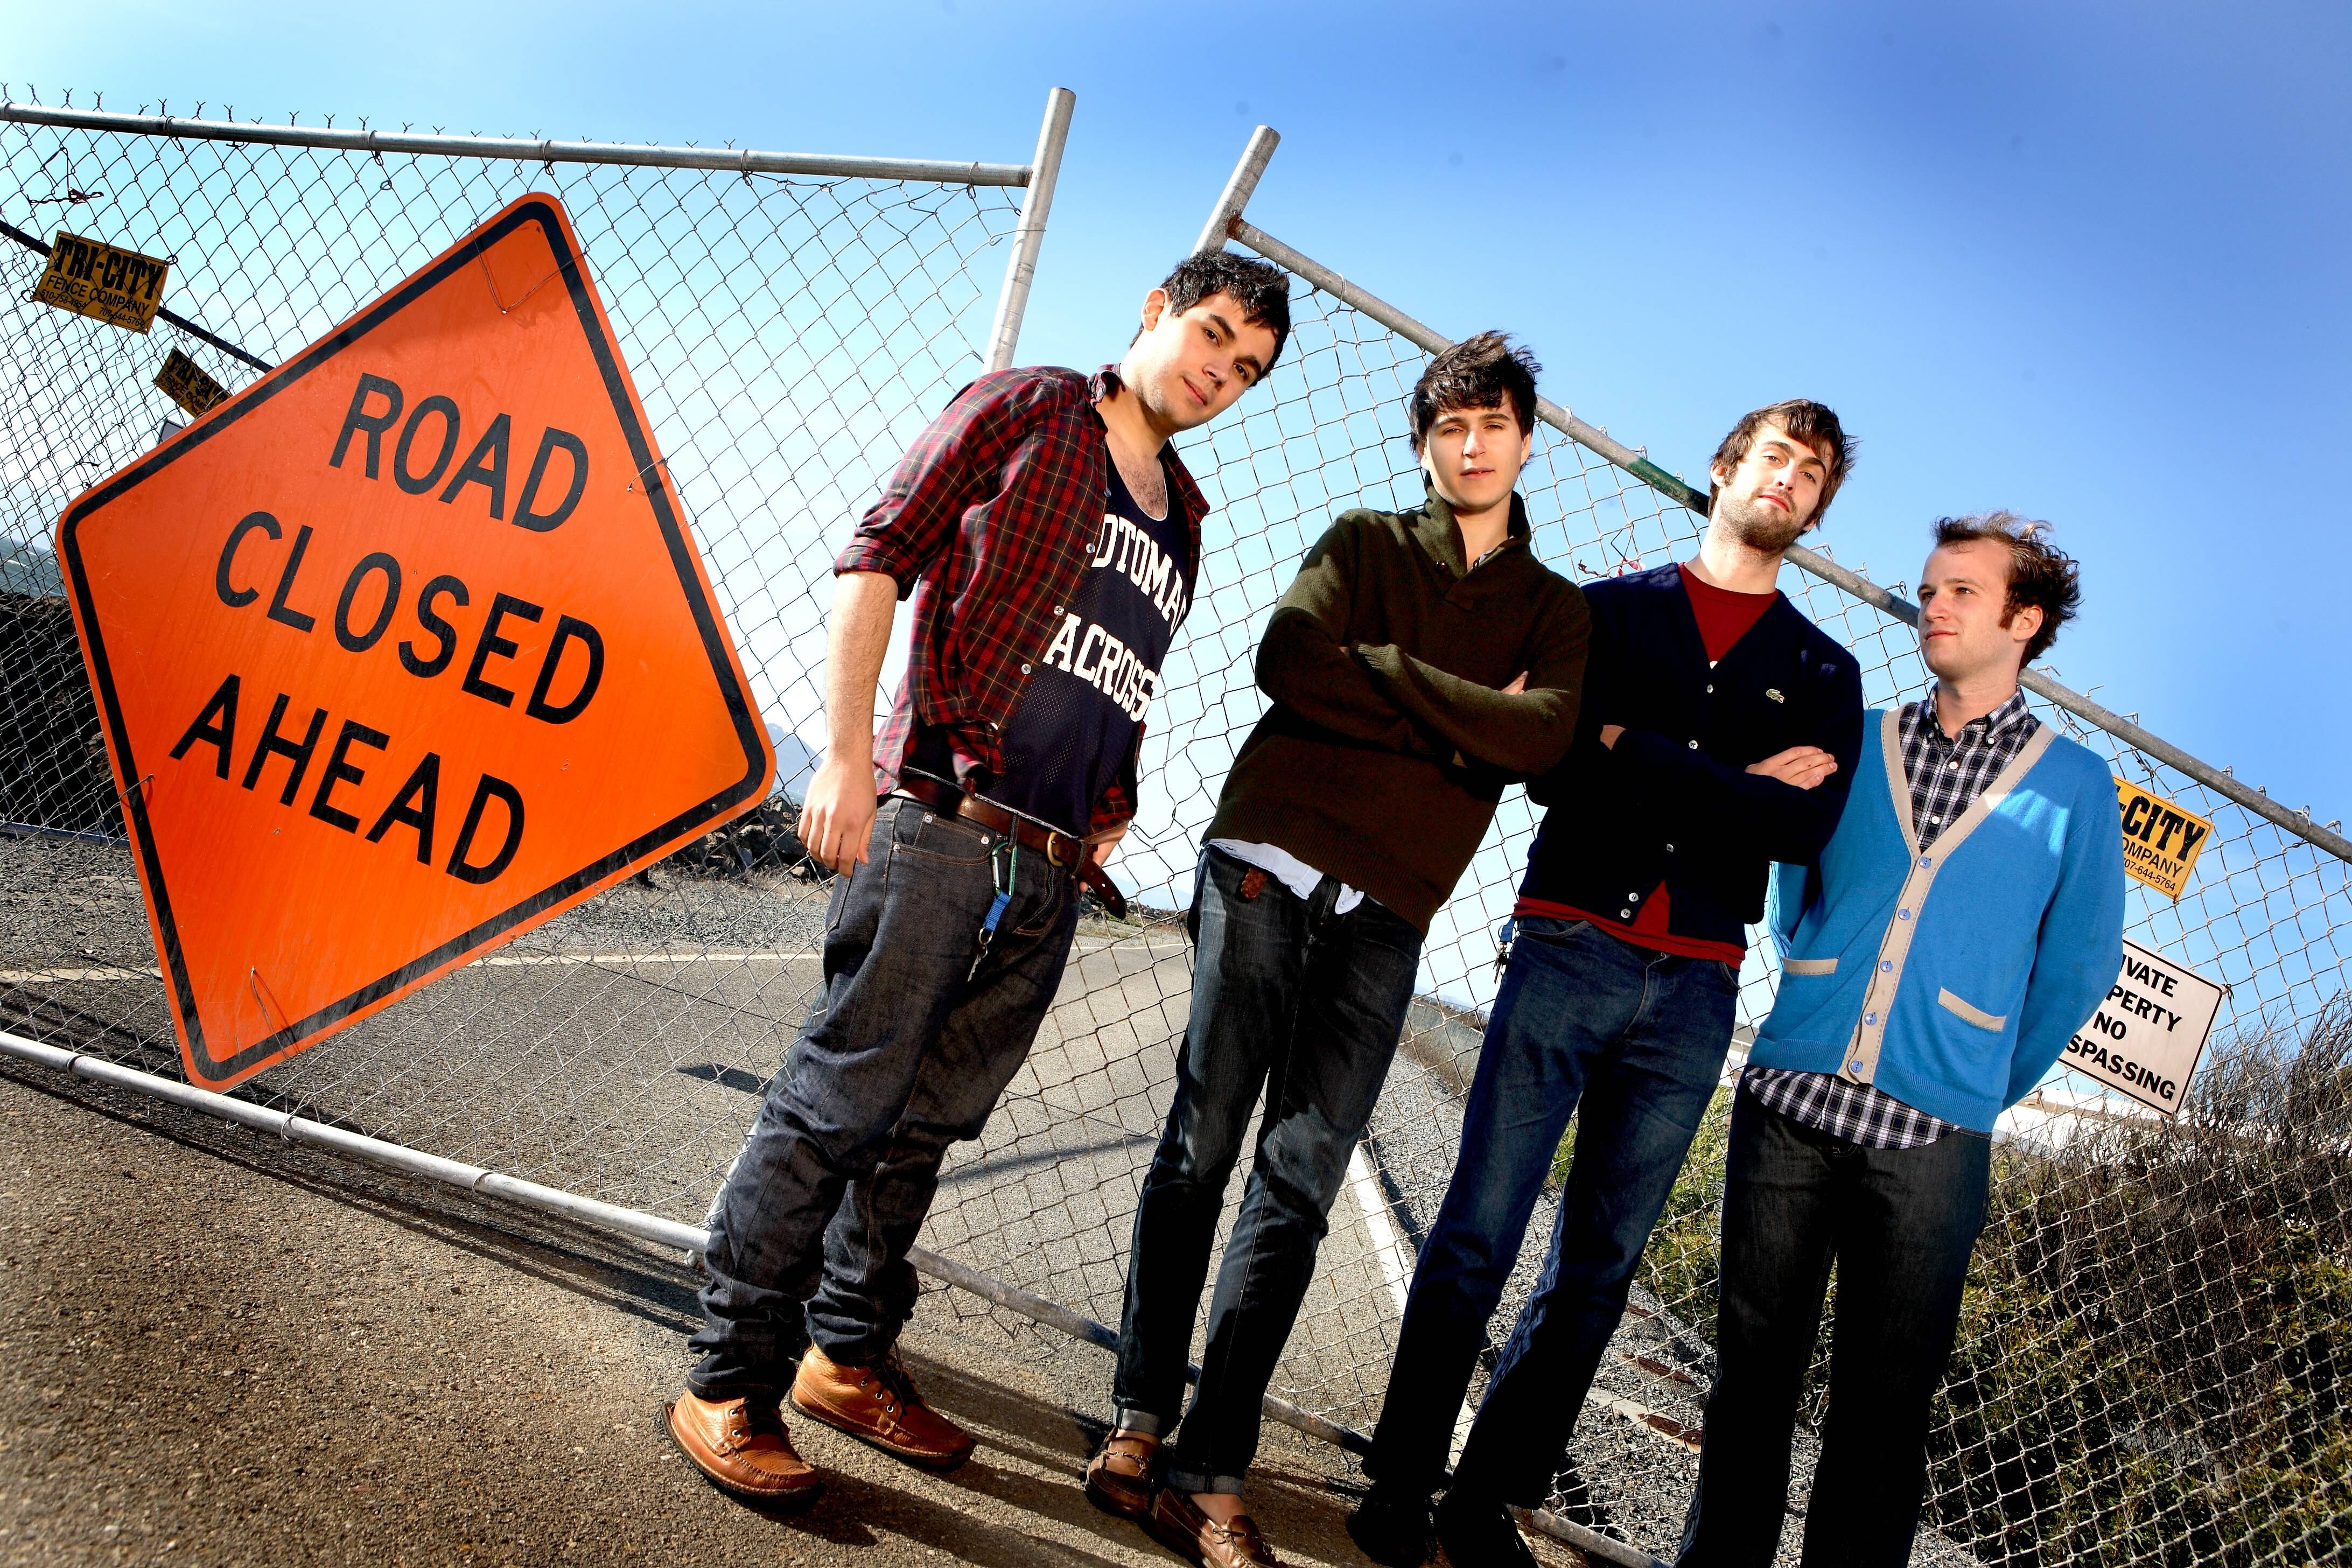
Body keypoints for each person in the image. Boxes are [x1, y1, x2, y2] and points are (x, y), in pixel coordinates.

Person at [664, 251, 1292, 1507]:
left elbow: (1122, 673)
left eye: (1248, 367)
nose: (1219, 372)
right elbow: (877, 556)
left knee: (925, 1127)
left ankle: (844, 1358)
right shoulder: (1027, 407)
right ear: (1155, 309)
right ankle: (727, 1377)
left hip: (1050, 871)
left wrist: (1109, 806)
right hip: (943, 818)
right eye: (1212, 336)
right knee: (837, 1104)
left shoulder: (1189, 514)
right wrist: (848, 755)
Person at [1087, 334, 1591, 1568]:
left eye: (1492, 426)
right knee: (1200, 1149)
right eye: (1447, 429)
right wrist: (1456, 723)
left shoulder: (1556, 610)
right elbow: (1287, 661)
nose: (1470, 447)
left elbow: (1541, 743)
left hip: (1390, 909)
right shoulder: (1366, 541)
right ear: (1425, 446)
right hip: (1268, 857)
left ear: (1528, 439)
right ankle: (1140, 1421)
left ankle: (1212, 1463)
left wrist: (1385, 676)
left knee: (1299, 1184)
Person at [1352, 401, 1867, 1568]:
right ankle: (1398, 1481)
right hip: (1569, 942)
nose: (1791, 478)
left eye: (1815, 472)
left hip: (1696, 988)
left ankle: (1485, 1503)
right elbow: (1556, 765)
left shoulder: (1822, 669)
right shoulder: (1611, 612)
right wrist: (1721, 776)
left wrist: (1648, 754)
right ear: (1724, 468)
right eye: (1775, 455)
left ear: (1820, 508)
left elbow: (1803, 826)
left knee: (1597, 1267)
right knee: (1479, 1231)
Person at [1676, 514, 2123, 1567]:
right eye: (1929, 589)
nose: (1934, 606)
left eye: (1962, 591)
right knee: (1752, 1376)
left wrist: (1976, 1074)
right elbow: (1797, 891)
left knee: (1883, 1413)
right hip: (1790, 1101)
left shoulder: (2076, 788)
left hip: (1934, 1144)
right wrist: (1819, 980)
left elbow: (2077, 965)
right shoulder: (1862, 741)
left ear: (2024, 620)